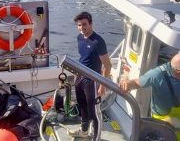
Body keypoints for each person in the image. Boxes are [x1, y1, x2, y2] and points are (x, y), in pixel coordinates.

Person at [69, 11, 112, 140]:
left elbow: (108, 65)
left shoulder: (98, 42)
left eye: (84, 24)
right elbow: (84, 58)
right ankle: (84, 131)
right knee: (82, 105)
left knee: (94, 112)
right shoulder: (79, 38)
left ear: (91, 23)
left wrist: (102, 86)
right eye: (79, 25)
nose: (82, 28)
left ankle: (96, 138)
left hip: (93, 80)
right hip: (80, 76)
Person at [119, 53, 180, 140]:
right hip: (163, 119)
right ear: (178, 71)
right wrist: (126, 83)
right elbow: (136, 83)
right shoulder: (156, 74)